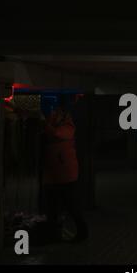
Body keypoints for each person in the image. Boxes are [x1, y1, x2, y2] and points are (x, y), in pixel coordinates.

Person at [42, 95, 88, 243]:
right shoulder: (64, 125)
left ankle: (81, 232)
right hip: (58, 174)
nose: (55, 115)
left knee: (70, 205)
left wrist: (46, 123)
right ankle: (55, 233)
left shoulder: (67, 127)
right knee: (56, 206)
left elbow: (55, 133)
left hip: (65, 175)